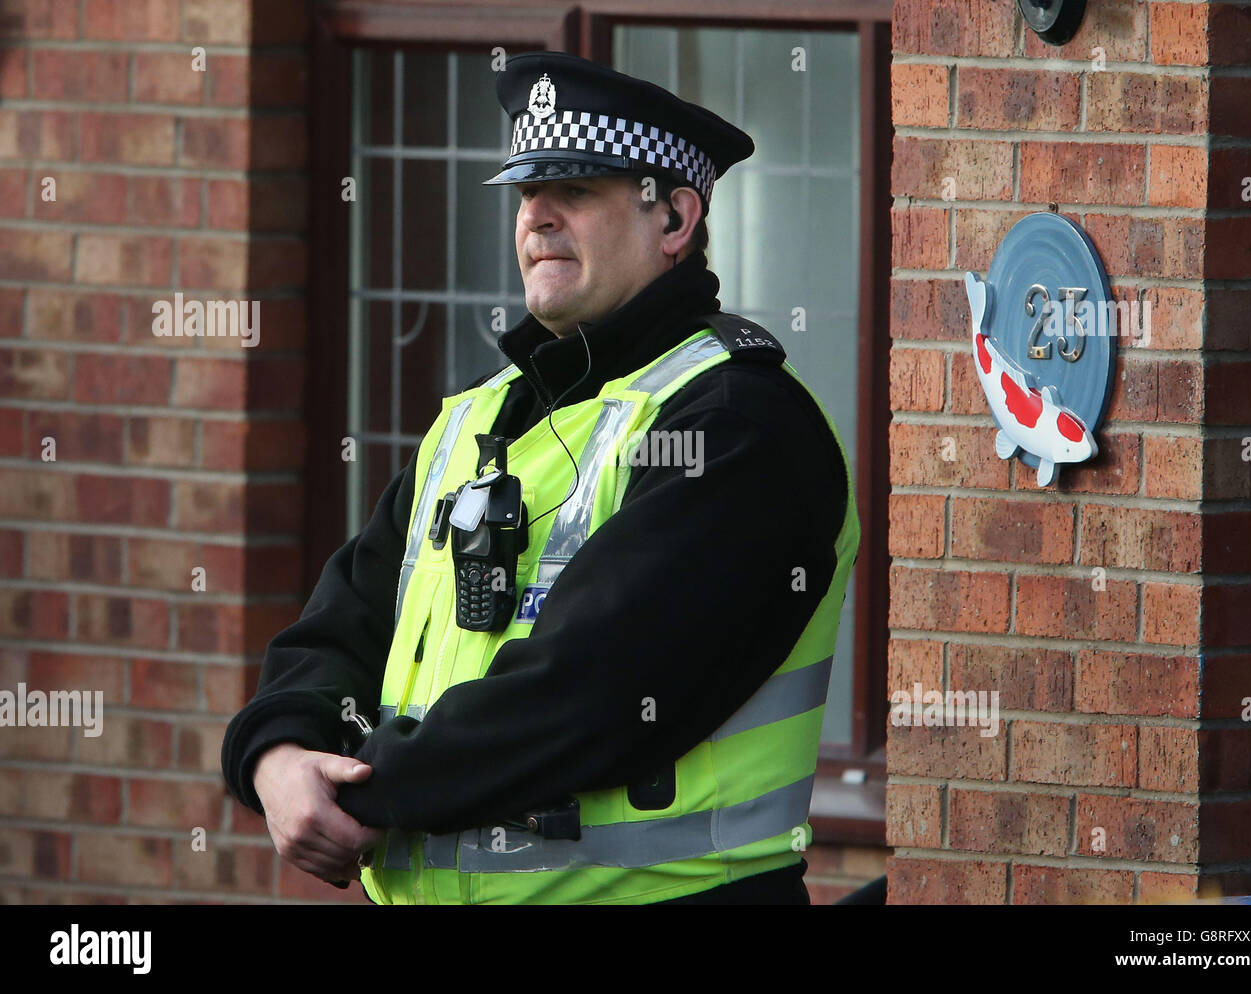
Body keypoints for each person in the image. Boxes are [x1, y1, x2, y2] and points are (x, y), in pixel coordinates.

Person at [221, 51, 860, 905]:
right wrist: (281, 752)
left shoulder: (737, 425)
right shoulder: (476, 420)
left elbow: (591, 692)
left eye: (578, 191)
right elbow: (343, 626)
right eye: (526, 192)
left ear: (674, 218)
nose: (538, 218)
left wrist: (354, 786)